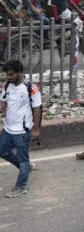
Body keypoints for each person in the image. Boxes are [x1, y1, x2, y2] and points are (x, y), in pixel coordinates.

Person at [0, 60, 42, 198]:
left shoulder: (31, 87)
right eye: (7, 75)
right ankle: (26, 168)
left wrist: (36, 129)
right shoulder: (7, 85)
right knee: (2, 151)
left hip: (22, 132)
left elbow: (37, 108)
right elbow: (3, 104)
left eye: (12, 74)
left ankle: (21, 187)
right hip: (8, 129)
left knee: (23, 159)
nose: (9, 77)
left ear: (20, 72)